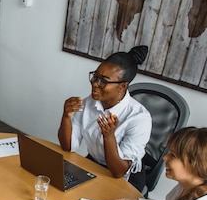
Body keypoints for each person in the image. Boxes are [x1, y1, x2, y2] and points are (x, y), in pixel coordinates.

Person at [58, 46, 152, 191]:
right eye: (95, 77)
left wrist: (109, 136)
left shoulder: (140, 118)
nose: (95, 84)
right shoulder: (88, 103)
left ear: (123, 86)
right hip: (93, 164)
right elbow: (68, 147)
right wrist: (66, 117)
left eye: (103, 81)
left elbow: (118, 171)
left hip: (125, 178)